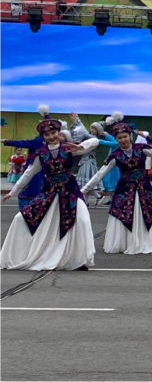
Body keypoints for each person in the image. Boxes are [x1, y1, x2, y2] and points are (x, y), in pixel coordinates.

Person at [1, 105, 99, 271]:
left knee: (81, 221)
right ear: (43, 137)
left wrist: (80, 147)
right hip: (50, 193)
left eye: (54, 133)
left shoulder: (68, 148)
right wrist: (13, 192)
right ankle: (19, 255)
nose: (52, 136)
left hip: (71, 192)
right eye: (47, 134)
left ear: (59, 133)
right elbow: (28, 174)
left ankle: (78, 259)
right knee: (21, 218)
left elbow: (94, 141)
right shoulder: (41, 153)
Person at [82, 116, 152, 255]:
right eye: (119, 137)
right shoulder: (115, 155)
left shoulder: (141, 148)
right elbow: (100, 174)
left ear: (130, 136)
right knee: (126, 216)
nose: (123, 140)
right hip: (125, 191)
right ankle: (131, 242)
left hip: (144, 188)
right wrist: (83, 190)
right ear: (116, 139)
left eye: (125, 136)